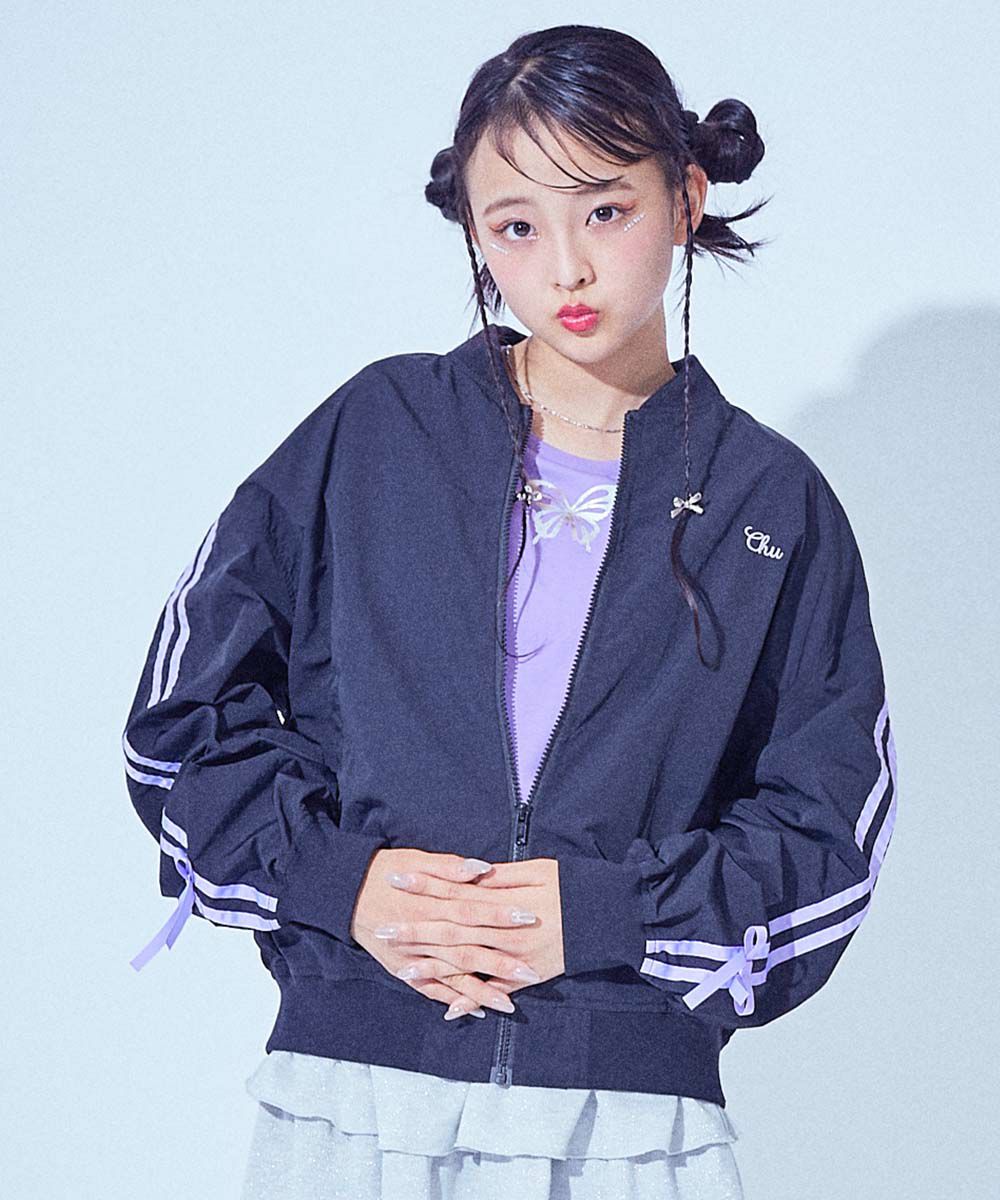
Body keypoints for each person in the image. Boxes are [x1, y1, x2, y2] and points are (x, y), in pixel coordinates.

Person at [122, 23, 899, 1200]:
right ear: (478, 236)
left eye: (605, 210)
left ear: (685, 199)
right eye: (516, 227)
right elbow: (179, 726)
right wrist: (340, 883)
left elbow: (825, 833)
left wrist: (609, 914)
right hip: (356, 1095)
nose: (565, 269)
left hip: (625, 1117)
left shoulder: (768, 500)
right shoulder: (376, 433)